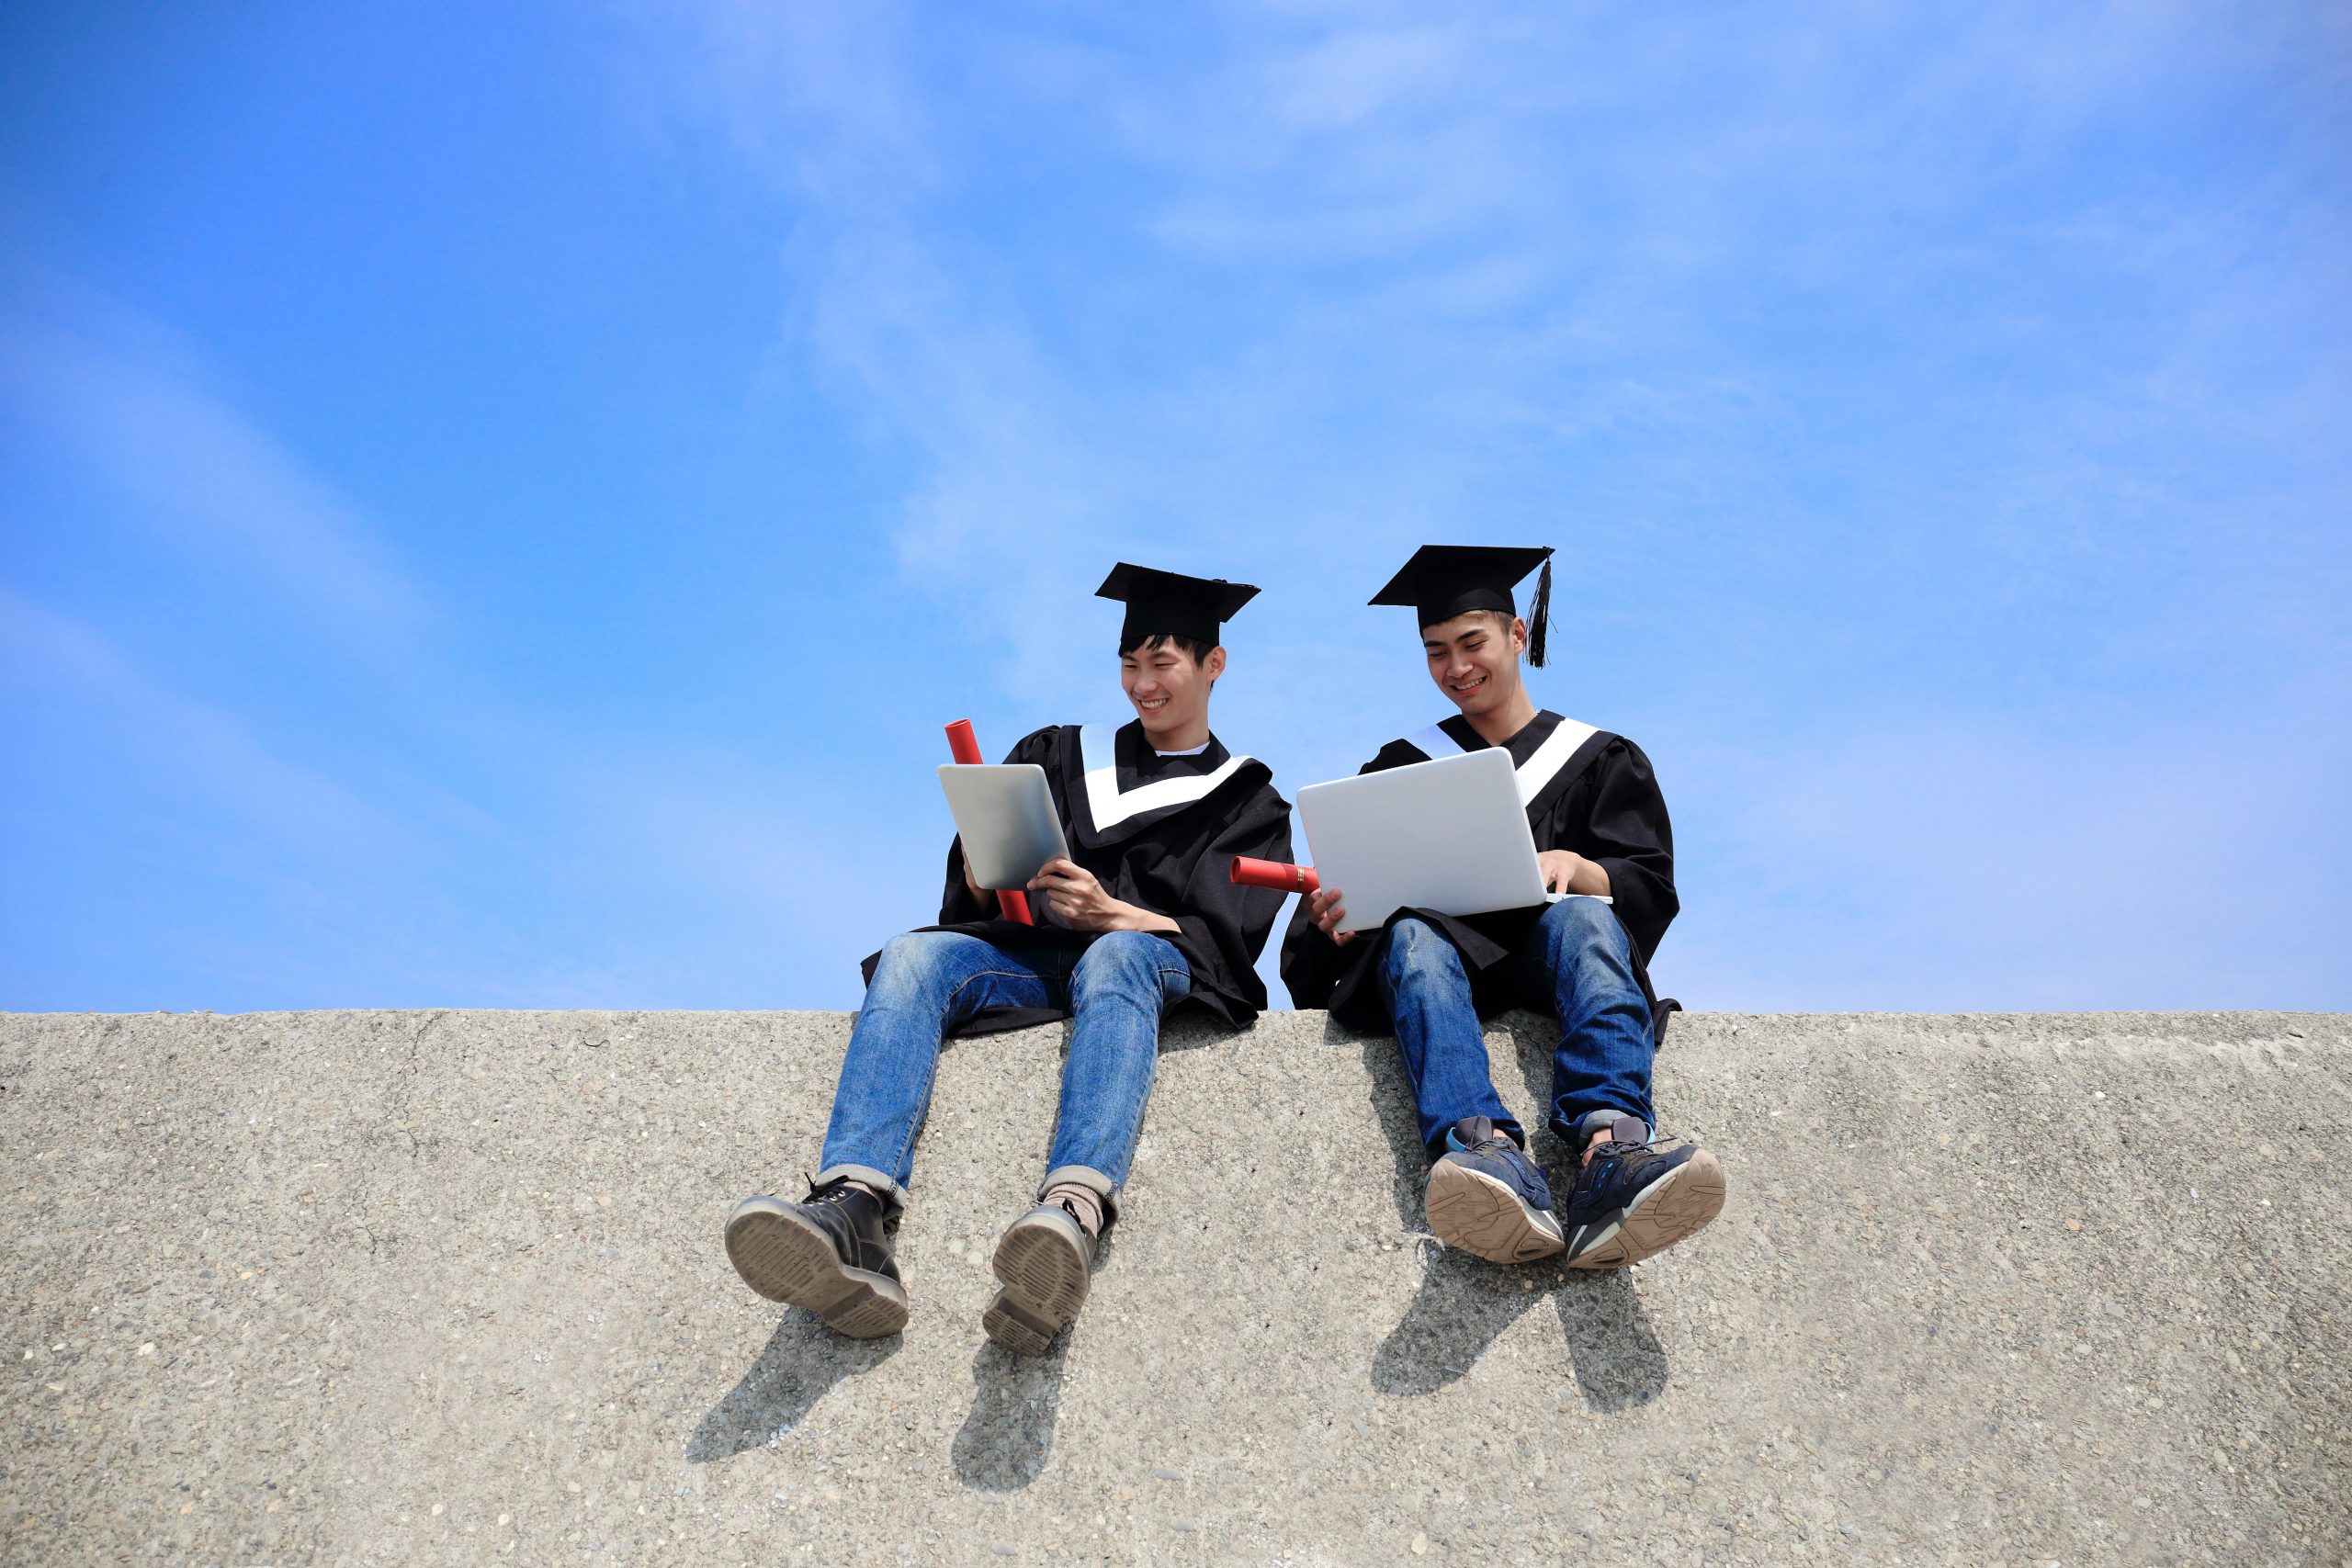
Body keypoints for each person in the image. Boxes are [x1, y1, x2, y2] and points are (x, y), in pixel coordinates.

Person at [727, 565, 1293, 1353]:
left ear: (1213, 664)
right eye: (1130, 664)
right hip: (1034, 954)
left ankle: (1071, 1213)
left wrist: (1110, 913)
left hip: (1141, 964)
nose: (1142, 684)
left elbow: (1225, 941)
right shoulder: (1060, 753)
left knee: (1120, 955)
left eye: (1162, 664)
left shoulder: (1250, 800)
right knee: (913, 958)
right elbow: (974, 897)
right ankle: (854, 1205)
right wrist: (982, 864)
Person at [1282, 545, 1723, 1269]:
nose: (1455, 667)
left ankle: (1613, 1150)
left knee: (1586, 915)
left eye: (1471, 643)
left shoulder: (1599, 756)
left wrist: (1582, 867)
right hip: (1442, 966)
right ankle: (1482, 1153)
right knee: (1413, 936)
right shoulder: (1401, 765)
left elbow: (1649, 886)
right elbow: (1341, 917)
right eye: (1435, 651)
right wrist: (1336, 921)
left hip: (1550, 959)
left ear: (1518, 635)